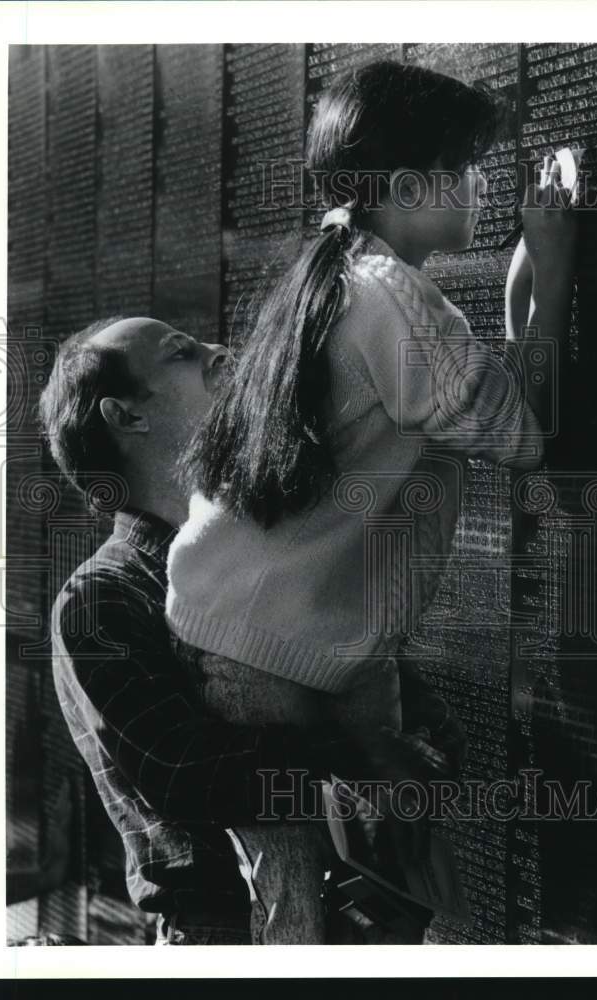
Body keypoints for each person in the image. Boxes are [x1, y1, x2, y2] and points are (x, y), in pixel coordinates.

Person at [166, 60, 576, 944]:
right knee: (310, 915)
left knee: (348, 882)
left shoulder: (337, 271)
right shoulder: (396, 299)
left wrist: (516, 303)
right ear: (404, 185)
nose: (480, 183)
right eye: (466, 165)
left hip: (250, 634)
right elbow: (525, 437)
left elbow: (482, 401)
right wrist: (554, 267)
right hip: (282, 653)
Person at [39, 315, 464, 945]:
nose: (219, 351)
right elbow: (186, 774)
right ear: (126, 417)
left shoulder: (285, 553)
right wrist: (356, 753)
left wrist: (415, 760)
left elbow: (406, 707)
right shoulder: (101, 599)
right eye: (182, 353)